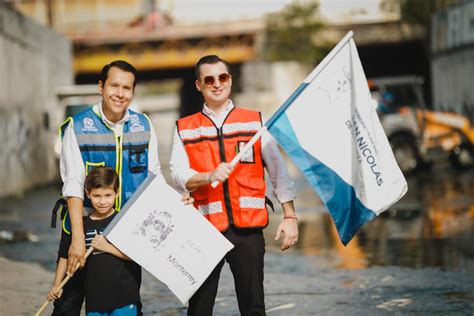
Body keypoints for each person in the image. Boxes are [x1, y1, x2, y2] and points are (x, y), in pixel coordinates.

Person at [170, 55, 299, 316]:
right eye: (209, 79)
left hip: (248, 231)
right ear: (198, 85)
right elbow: (178, 173)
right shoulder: (185, 127)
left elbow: (278, 172)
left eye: (223, 77)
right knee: (199, 309)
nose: (217, 84)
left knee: (253, 308)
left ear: (230, 80)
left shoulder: (255, 122)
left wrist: (290, 216)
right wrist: (208, 176)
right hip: (203, 230)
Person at [53, 60, 167, 315]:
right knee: (66, 307)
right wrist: (78, 240)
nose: (120, 93)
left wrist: (176, 202)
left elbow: (154, 178)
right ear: (101, 87)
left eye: (127, 88)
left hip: (127, 234)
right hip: (84, 228)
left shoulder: (143, 125)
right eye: (114, 85)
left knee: (123, 304)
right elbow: (72, 183)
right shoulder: (78, 126)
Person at [48, 166, 140, 315]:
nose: (103, 201)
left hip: (124, 298)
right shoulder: (81, 225)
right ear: (88, 194)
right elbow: (65, 255)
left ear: (116, 193)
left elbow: (136, 255)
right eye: (97, 196)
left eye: (108, 195)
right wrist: (57, 285)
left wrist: (106, 247)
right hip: (95, 301)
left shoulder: (122, 221)